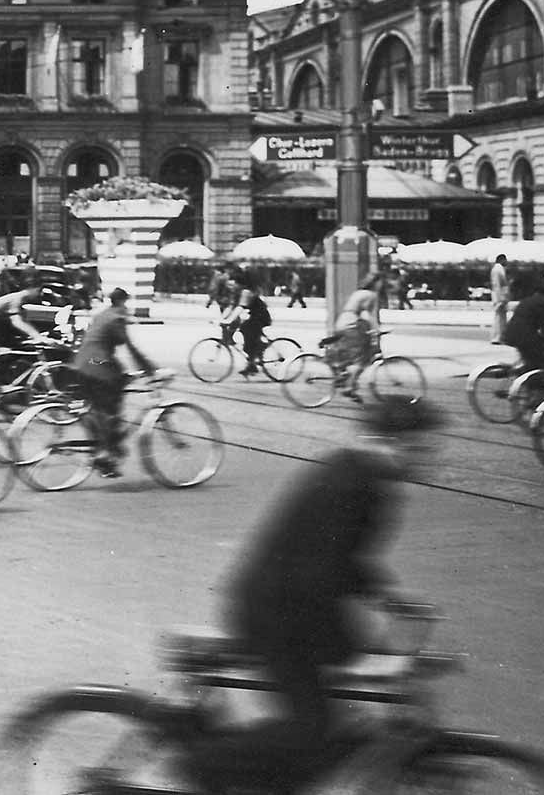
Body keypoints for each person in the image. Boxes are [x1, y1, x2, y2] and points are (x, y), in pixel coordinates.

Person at [184, 399, 445, 792]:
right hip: (272, 613)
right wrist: (353, 647)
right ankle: (202, 767)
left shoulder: (362, 476)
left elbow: (344, 559)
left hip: (284, 605)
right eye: (420, 449)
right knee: (313, 728)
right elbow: (318, 576)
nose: (428, 460)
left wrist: (392, 600)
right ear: (391, 443)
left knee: (324, 725)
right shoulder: (354, 485)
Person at [69, 289, 158, 479]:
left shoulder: (102, 314)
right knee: (112, 407)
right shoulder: (116, 318)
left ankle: (103, 445)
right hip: (98, 363)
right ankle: (106, 452)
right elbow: (131, 348)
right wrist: (150, 369)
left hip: (84, 362)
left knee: (103, 399)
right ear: (123, 302)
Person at [325, 272, 388, 400]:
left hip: (341, 322)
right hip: (351, 324)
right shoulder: (371, 295)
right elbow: (367, 314)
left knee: (350, 353)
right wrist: (376, 329)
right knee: (362, 359)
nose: (381, 285)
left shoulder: (358, 292)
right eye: (381, 282)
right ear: (376, 282)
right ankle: (349, 387)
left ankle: (343, 374)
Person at [503, 272, 544, 376]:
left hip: (511, 335)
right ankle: (525, 379)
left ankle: (519, 377)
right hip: (524, 337)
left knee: (533, 360)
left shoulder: (529, 300)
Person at [225, 272, 273, 377]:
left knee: (248, 332)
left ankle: (259, 349)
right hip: (253, 316)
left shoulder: (246, 292)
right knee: (242, 330)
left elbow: (240, 307)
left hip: (261, 316)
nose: (230, 286)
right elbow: (230, 307)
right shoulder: (236, 293)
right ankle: (252, 363)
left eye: (233, 284)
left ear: (239, 284)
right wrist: (222, 319)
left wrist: (229, 320)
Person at [488, 253, 513, 344]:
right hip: (500, 296)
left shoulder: (499, 269)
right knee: (499, 317)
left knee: (501, 317)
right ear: (501, 260)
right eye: (505, 260)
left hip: (501, 296)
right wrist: (500, 298)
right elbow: (497, 284)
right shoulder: (498, 269)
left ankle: (500, 336)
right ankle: (497, 337)